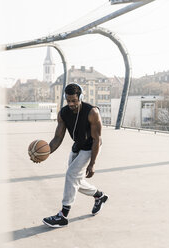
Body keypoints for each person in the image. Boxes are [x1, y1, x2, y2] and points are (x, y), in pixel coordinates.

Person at [31, 83, 108, 228]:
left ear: (81, 97)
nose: (71, 104)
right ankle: (99, 196)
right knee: (75, 180)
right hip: (78, 145)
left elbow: (97, 139)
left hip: (91, 147)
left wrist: (92, 163)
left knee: (71, 175)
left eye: (74, 100)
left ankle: (63, 215)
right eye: (68, 100)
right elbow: (57, 138)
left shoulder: (92, 112)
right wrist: (44, 154)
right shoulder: (63, 113)